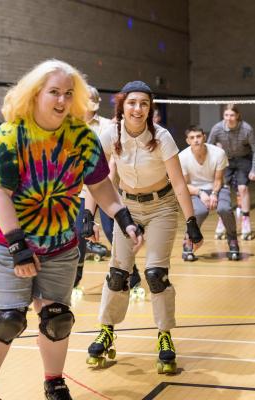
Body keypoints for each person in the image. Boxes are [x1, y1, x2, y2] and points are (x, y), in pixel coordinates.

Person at [0, 60, 144, 400]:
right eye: (54, 93)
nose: (62, 100)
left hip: (60, 242)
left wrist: (123, 217)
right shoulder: (9, 136)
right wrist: (18, 248)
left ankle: (54, 383)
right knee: (9, 319)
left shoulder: (81, 137)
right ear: (34, 95)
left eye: (68, 93)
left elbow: (100, 185)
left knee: (57, 319)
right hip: (6, 239)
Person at [84, 81, 203, 374]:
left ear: (150, 109)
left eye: (144, 104)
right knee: (117, 274)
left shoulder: (162, 138)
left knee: (155, 275)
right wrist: (87, 215)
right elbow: (97, 179)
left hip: (161, 207)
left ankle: (164, 335)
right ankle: (107, 330)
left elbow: (177, 182)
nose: (138, 109)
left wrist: (191, 222)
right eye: (132, 103)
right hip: (126, 209)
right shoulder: (110, 135)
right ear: (122, 106)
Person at [73, 86, 143, 298]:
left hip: (105, 189)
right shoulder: (72, 126)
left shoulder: (107, 126)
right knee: (78, 236)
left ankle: (133, 278)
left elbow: (110, 166)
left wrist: (99, 196)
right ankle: (73, 283)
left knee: (115, 233)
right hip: (80, 192)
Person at [179, 126, 240, 261]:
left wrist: (213, 193)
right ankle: (189, 240)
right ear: (187, 141)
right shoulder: (182, 157)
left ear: (204, 137)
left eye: (199, 137)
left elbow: (218, 179)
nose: (196, 140)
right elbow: (183, 185)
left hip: (217, 188)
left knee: (225, 209)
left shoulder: (218, 153)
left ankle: (232, 241)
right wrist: (200, 193)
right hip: (195, 190)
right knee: (199, 212)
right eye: (192, 138)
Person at [207, 104, 255, 240]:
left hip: (243, 160)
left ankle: (246, 220)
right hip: (226, 160)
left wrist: (254, 169)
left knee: (242, 188)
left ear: (237, 116)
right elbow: (209, 147)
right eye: (226, 115)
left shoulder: (246, 129)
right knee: (222, 189)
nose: (229, 118)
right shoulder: (217, 128)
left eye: (231, 115)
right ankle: (222, 220)